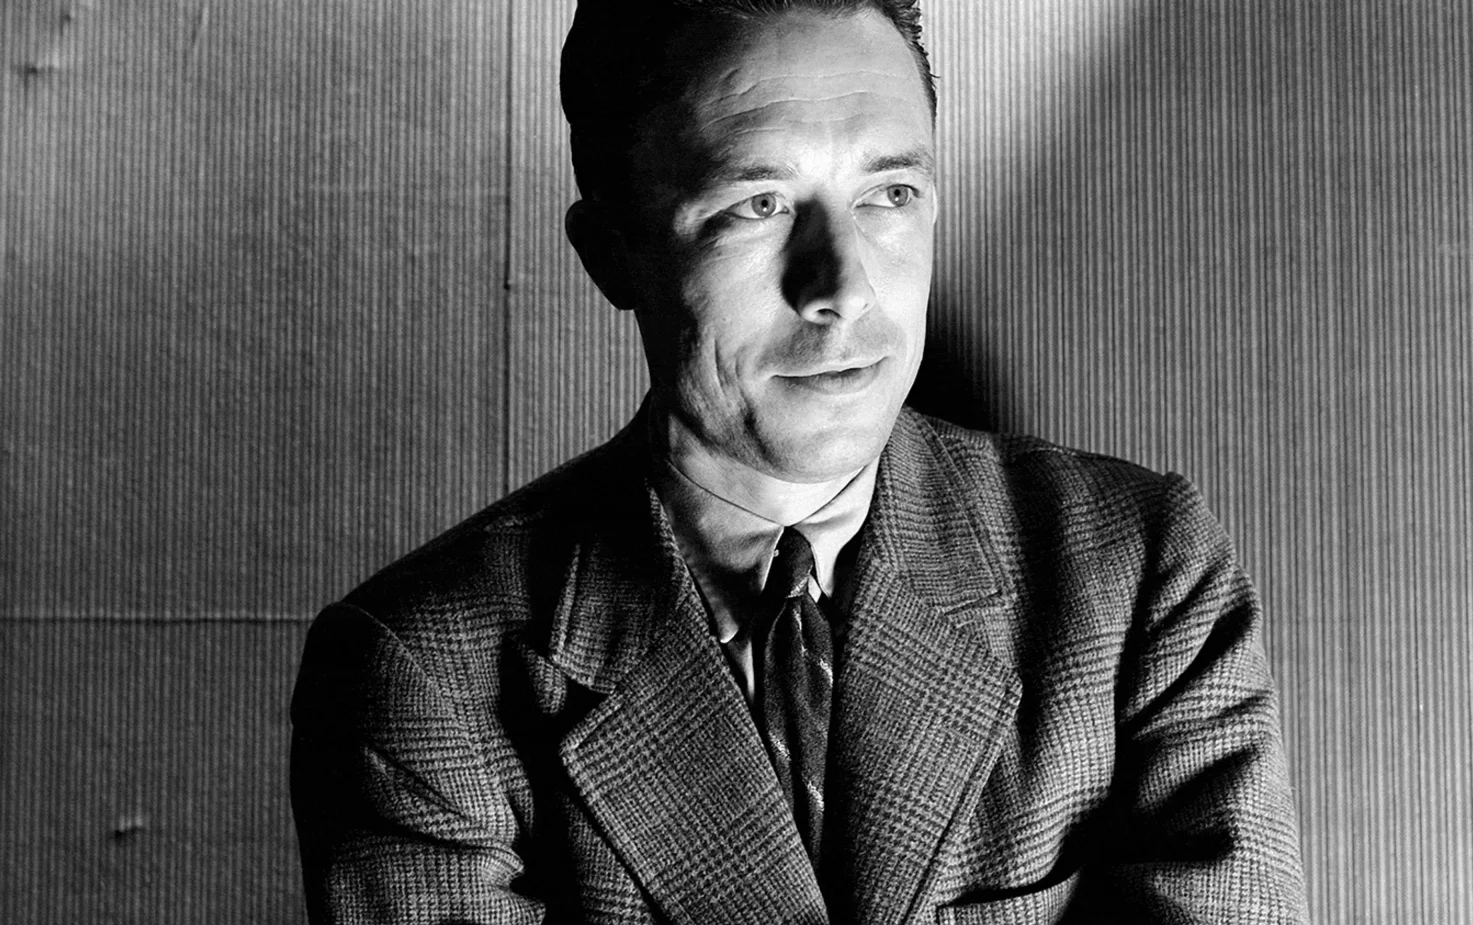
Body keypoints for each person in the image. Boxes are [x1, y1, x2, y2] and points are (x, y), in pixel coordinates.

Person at [289, 1, 1310, 922]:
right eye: (759, 205)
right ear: (611, 251)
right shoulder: (425, 671)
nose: (841, 287)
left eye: (890, 192)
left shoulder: (1139, 572)